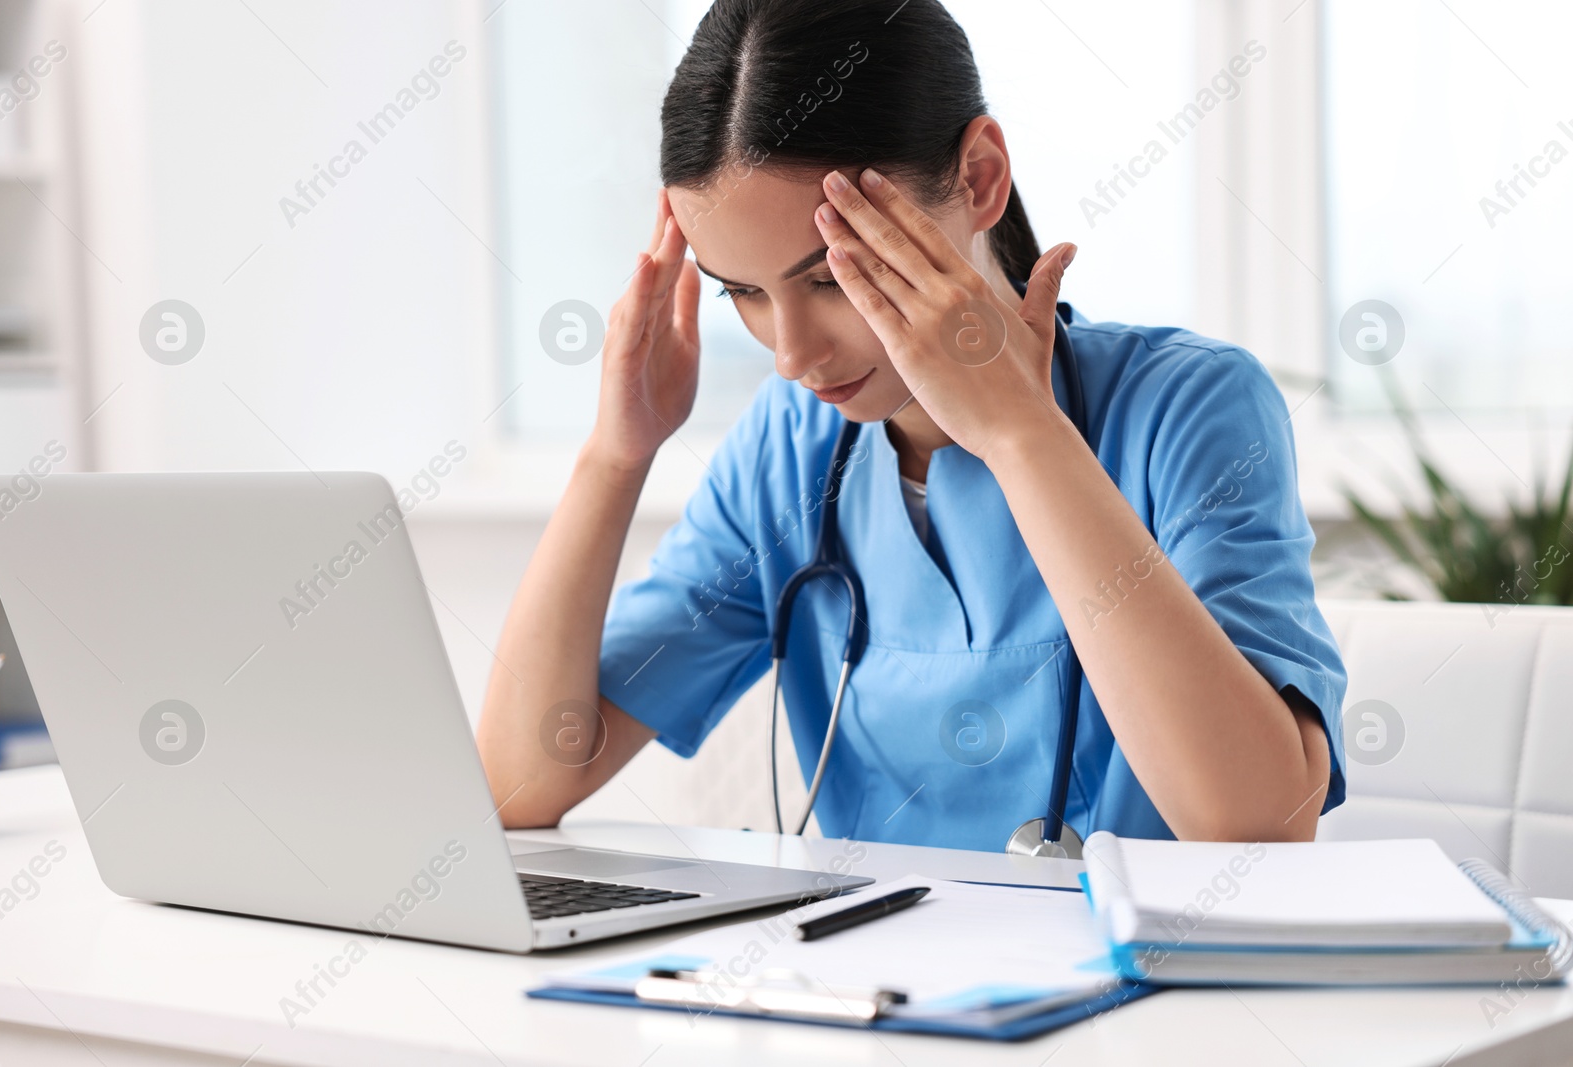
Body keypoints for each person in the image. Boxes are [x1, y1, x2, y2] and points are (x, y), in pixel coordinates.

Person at [475, 0, 1347, 850]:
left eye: (826, 279)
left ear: (977, 179)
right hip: (871, 989)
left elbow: (1260, 826)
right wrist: (613, 453)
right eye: (741, 291)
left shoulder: (1189, 408)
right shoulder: (789, 452)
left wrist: (1021, 435)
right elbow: (521, 778)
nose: (790, 354)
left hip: (1147, 991)